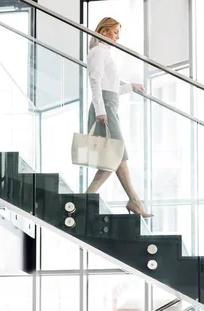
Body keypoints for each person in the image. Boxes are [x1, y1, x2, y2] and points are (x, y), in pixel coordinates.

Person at [86, 17, 152, 218]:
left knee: (111, 160)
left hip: (110, 106)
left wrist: (132, 86)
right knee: (118, 155)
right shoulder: (98, 52)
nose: (118, 37)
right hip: (105, 108)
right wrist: (100, 110)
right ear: (104, 31)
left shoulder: (105, 53)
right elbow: (95, 82)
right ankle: (135, 201)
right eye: (115, 32)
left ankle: (87, 197)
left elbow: (112, 88)